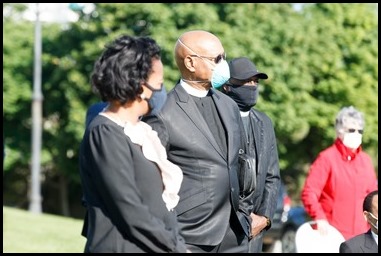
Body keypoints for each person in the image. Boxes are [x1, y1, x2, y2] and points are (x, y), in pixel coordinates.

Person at [142, 30, 251, 253]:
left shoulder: (229, 105)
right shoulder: (163, 111)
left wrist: (246, 214)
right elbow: (153, 178)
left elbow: (241, 161)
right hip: (191, 233)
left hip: (235, 233)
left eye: (224, 56)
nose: (224, 65)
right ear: (190, 62)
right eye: (217, 59)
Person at [79, 34, 188, 253]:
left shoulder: (139, 132)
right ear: (140, 86)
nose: (160, 92)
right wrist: (175, 248)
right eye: (158, 84)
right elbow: (130, 209)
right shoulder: (105, 133)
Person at [220, 57, 281, 253]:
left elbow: (272, 176)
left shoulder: (264, 122)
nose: (252, 86)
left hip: (255, 228)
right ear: (228, 86)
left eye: (255, 81)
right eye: (246, 81)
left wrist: (264, 218)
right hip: (223, 227)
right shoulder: (217, 117)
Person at [301, 106, 378, 240]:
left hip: (361, 236)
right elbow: (310, 192)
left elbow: (373, 197)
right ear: (339, 131)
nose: (356, 133)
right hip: (332, 235)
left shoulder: (365, 161)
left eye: (360, 130)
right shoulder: (326, 158)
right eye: (351, 130)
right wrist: (319, 217)